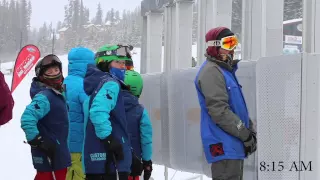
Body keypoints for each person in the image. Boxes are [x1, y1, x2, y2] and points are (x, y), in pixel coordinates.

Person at [194, 27, 257, 180]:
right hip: (223, 143)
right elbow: (220, 111)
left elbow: (236, 108)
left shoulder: (225, 71)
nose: (233, 48)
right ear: (215, 46)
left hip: (232, 144)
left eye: (234, 42)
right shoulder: (211, 72)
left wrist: (249, 131)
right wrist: (244, 134)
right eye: (228, 44)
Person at [82, 44, 133, 180]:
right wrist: (110, 140)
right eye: (118, 62)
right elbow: (98, 112)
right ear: (105, 64)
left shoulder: (98, 83)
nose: (123, 66)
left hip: (98, 161)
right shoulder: (111, 83)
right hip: (110, 163)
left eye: (124, 63)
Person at [21, 54, 71, 180]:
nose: (54, 73)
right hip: (49, 153)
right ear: (42, 76)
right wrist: (37, 140)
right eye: (49, 71)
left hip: (58, 151)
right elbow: (27, 118)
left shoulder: (57, 94)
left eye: (56, 70)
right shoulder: (45, 96)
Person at [64, 47, 95, 180]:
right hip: (79, 147)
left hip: (61, 146)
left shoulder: (61, 83)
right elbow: (92, 115)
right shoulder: (84, 86)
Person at [123, 70, 153, 180]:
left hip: (111, 164)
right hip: (133, 164)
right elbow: (146, 139)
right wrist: (147, 161)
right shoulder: (140, 111)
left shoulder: (110, 107)